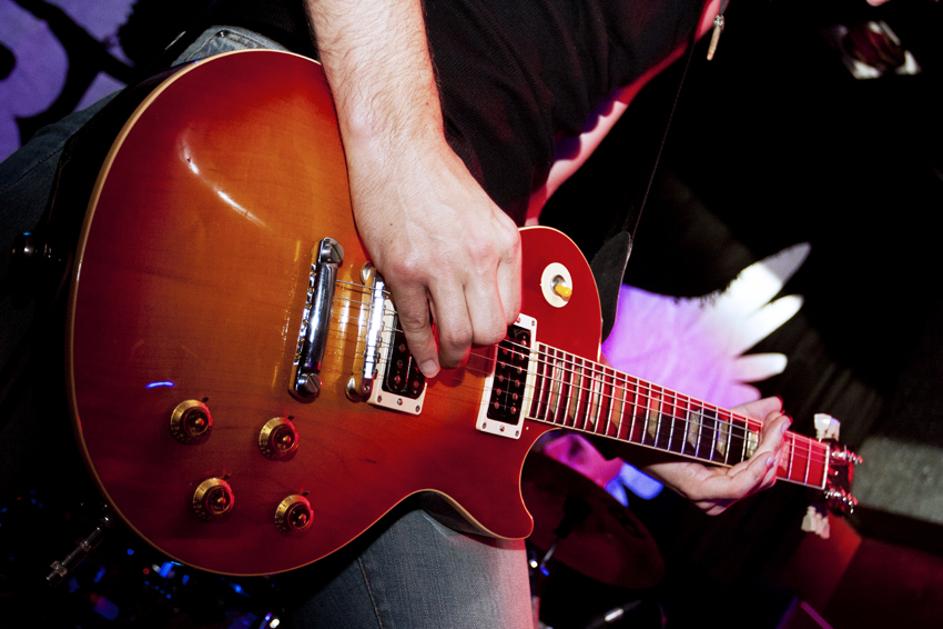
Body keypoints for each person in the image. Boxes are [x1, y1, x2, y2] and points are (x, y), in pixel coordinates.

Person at [0, 1, 791, 626]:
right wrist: (400, 147)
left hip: (414, 316)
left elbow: (543, 164)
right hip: (300, 129)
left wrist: (613, 414)